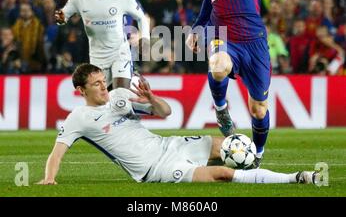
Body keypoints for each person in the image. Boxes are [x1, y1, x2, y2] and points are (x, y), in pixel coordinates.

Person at [38, 63, 318, 185]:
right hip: (156, 168)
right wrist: (50, 177)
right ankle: (294, 178)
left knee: (226, 145)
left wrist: (151, 98)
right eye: (96, 84)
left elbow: (166, 111)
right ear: (81, 90)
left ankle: (255, 168)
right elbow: (57, 152)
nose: (103, 87)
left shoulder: (120, 98)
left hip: (167, 145)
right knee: (220, 173)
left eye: (103, 81)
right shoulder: (79, 118)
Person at [186, 0, 280, 168]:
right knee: (218, 64)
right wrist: (196, 29)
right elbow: (210, 0)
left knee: (259, 108)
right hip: (224, 36)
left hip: (255, 40)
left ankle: (257, 156)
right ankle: (220, 109)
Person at [55, 0, 150, 89]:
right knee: (106, 101)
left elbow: (142, 18)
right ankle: (137, 98)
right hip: (97, 56)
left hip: (120, 53)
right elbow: (64, 14)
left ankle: (131, 83)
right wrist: (60, 18)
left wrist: (144, 38)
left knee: (120, 95)